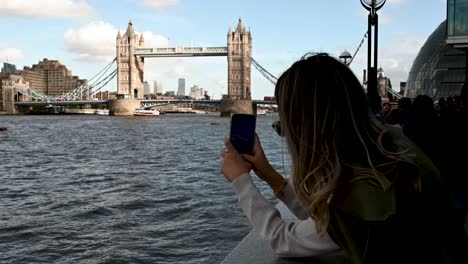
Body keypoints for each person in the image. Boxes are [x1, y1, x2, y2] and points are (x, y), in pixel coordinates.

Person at [220, 53, 467, 264]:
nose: (286, 137)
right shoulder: (389, 149)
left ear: (308, 131)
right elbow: (329, 222)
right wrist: (269, 175)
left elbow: (283, 239)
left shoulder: (361, 199)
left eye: (284, 127)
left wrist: (241, 181)